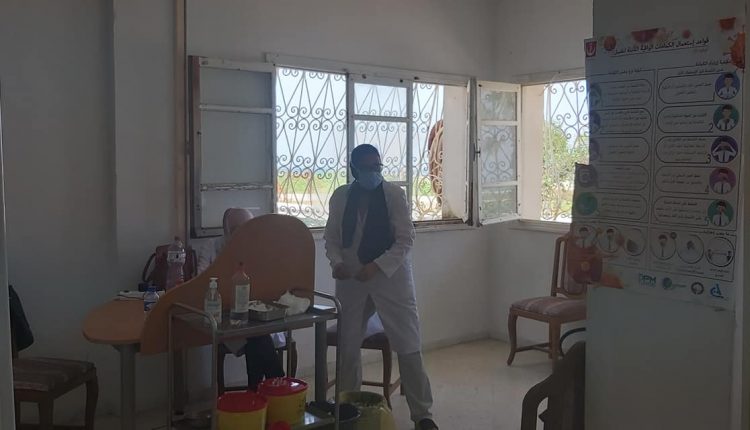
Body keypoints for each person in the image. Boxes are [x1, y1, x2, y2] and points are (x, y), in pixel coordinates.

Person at [324, 144, 438, 430]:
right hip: (351, 279)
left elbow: (405, 239)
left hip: (391, 278)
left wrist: (376, 267)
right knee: (348, 346)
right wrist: (337, 263)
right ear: (353, 169)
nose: (373, 173)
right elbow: (332, 238)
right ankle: (347, 407)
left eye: (377, 167)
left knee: (408, 345)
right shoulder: (341, 197)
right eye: (366, 168)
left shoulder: (393, 195)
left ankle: (423, 415)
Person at [197, 208, 285, 390]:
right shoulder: (212, 246)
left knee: (257, 334)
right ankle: (277, 385)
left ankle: (256, 391)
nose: (244, 233)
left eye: (248, 227)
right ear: (227, 231)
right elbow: (202, 280)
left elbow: (269, 282)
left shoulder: (258, 247)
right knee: (257, 336)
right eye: (237, 229)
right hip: (225, 316)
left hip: (256, 313)